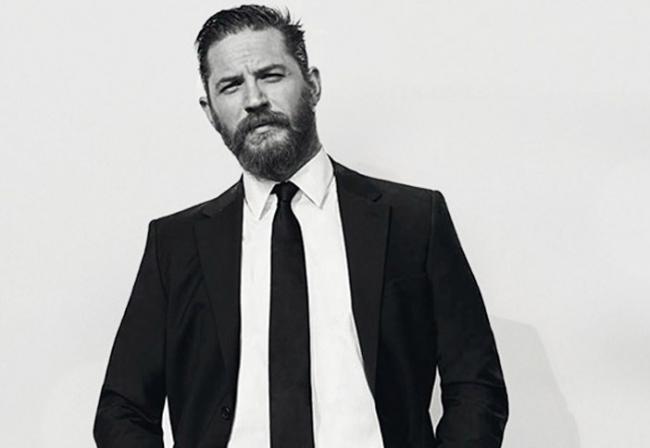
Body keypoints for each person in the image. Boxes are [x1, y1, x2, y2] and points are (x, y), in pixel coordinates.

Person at [93, 4, 508, 448]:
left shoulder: (414, 219)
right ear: (210, 111)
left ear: (312, 84)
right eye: (231, 86)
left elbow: (475, 386)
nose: (254, 99)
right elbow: (122, 409)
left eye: (271, 75)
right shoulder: (175, 245)